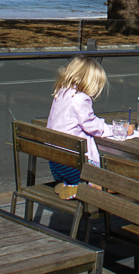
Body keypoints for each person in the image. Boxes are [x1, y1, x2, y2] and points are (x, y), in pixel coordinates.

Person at [46, 55, 111, 197]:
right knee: (103, 182)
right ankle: (78, 189)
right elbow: (91, 125)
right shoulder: (80, 99)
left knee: (76, 176)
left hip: (56, 161)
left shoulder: (61, 93)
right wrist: (111, 129)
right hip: (73, 163)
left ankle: (65, 184)